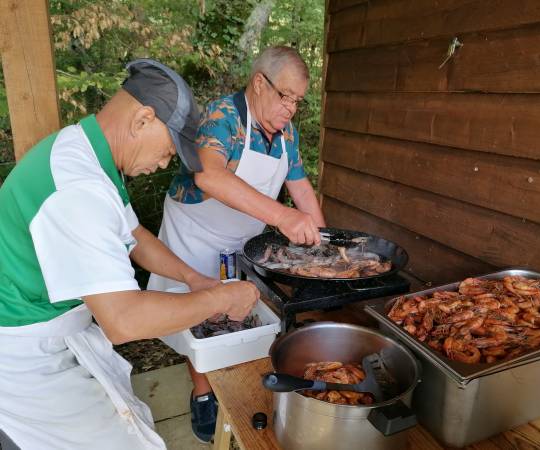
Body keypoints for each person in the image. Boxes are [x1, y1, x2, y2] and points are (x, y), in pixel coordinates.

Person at [0, 59, 260, 450]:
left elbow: (134, 234)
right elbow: (123, 320)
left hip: (55, 330)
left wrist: (195, 280)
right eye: (170, 150)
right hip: (24, 354)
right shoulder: (79, 190)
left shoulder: (84, 150)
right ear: (143, 119)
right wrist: (219, 297)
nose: (164, 164)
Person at [147, 46, 326, 442]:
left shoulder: (286, 134)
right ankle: (203, 393)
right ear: (260, 83)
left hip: (243, 235)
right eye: (286, 96)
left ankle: (238, 377)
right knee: (198, 314)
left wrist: (322, 243)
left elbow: (300, 187)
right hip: (194, 229)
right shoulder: (223, 116)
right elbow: (208, 176)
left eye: (298, 100)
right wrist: (282, 217)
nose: (291, 109)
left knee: (244, 309)